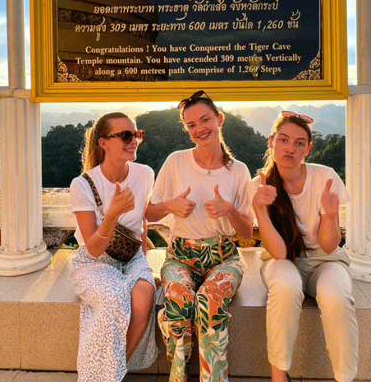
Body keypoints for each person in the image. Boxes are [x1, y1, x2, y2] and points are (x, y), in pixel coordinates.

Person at [146, 90, 254, 382]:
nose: (199, 129)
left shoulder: (238, 171)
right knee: (181, 299)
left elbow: (246, 233)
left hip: (223, 257)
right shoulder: (176, 162)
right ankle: (178, 375)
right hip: (180, 255)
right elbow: (149, 213)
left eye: (205, 120)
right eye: (191, 125)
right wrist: (171, 206)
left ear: (219, 119)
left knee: (209, 299)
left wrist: (229, 209)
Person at [249, 111, 358, 382]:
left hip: (326, 260)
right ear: (271, 142)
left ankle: (345, 378)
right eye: (284, 140)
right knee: (286, 287)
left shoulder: (325, 178)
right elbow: (280, 253)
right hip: (282, 260)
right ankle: (278, 375)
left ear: (308, 149)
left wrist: (331, 215)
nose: (291, 148)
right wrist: (260, 210)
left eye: (299, 143)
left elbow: (330, 246)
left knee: (336, 297)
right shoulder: (260, 185)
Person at [69, 112, 157, 382]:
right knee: (115, 298)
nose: (134, 141)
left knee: (144, 295)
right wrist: (113, 213)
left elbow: (141, 221)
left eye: (136, 135)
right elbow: (93, 248)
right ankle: (104, 377)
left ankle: (110, 373)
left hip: (131, 258)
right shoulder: (82, 185)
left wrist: (144, 261)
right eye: (126, 136)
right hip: (95, 261)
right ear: (103, 143)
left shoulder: (144, 173)